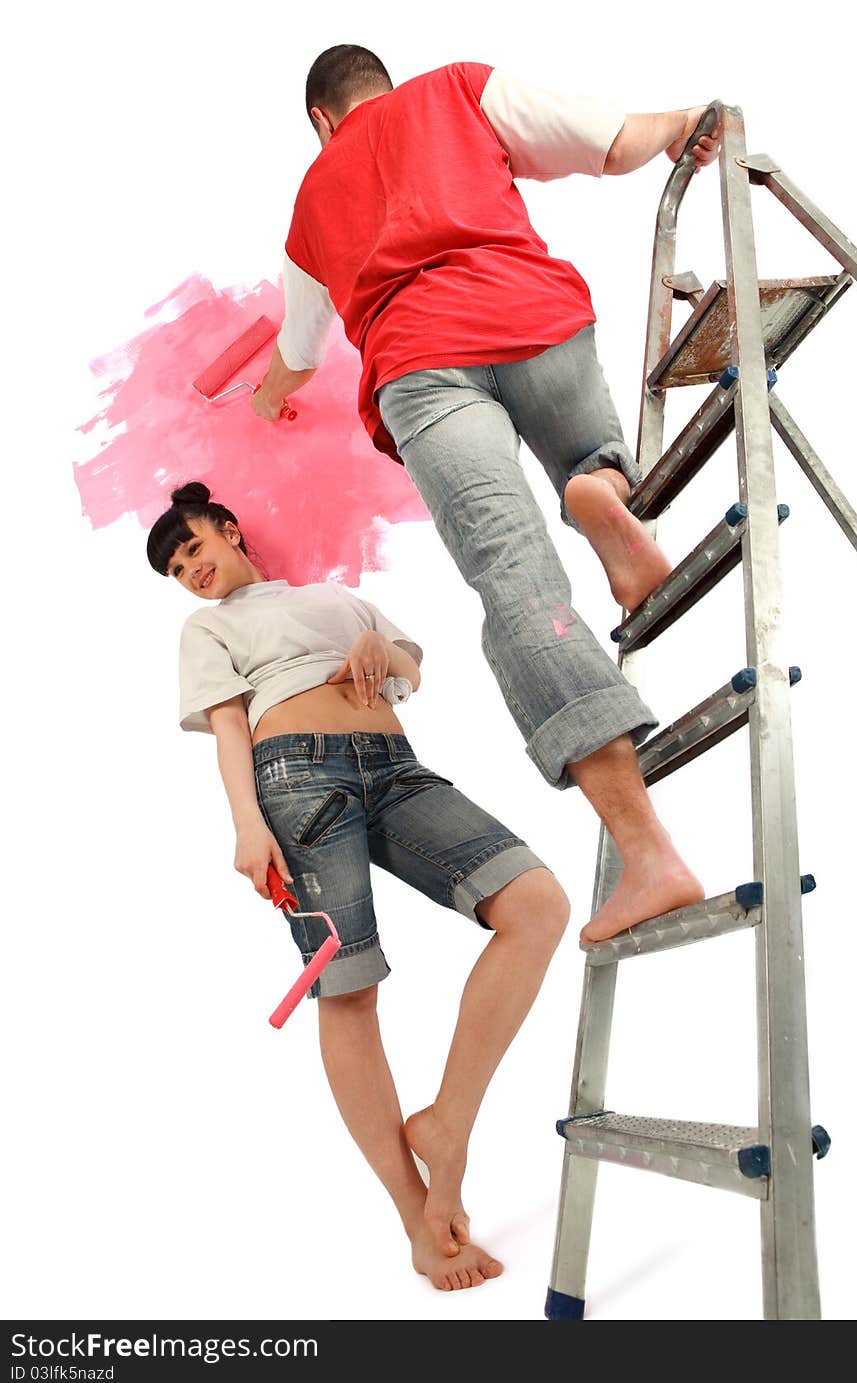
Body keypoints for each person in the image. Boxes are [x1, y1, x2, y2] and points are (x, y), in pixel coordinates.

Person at [251, 47, 716, 945]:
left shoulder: (312, 203)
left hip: (423, 363)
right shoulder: (459, 89)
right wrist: (677, 127)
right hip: (528, 313)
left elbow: (298, 349)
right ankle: (595, 488)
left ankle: (648, 854)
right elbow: (611, 139)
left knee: (515, 585)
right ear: (382, 87)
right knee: (589, 453)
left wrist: (271, 398)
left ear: (320, 120)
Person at [147, 480, 570, 1293]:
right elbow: (230, 726)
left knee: (536, 904)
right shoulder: (207, 627)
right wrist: (246, 824)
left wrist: (388, 654)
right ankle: (417, 1217)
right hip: (296, 783)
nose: (189, 570)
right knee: (349, 988)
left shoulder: (334, 596)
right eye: (175, 567)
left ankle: (448, 1122)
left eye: (193, 547)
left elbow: (410, 667)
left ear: (230, 531)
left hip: (398, 771)